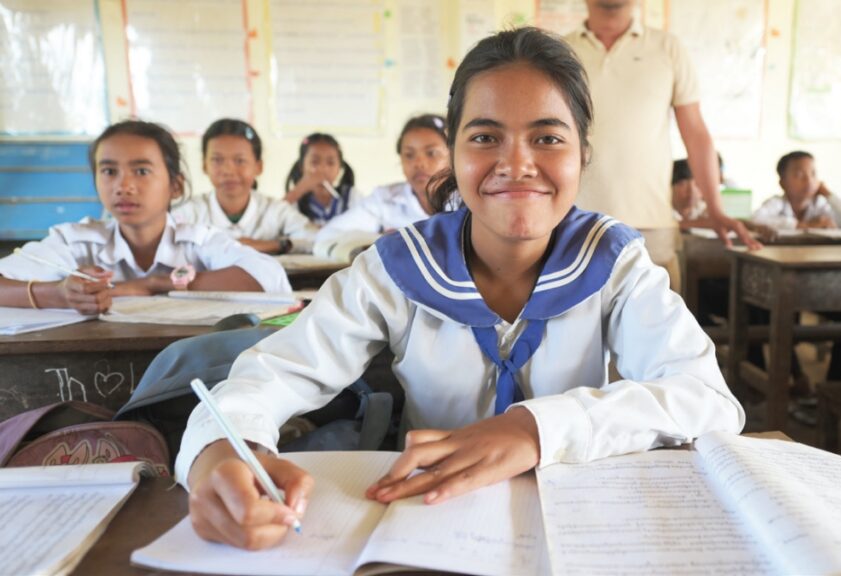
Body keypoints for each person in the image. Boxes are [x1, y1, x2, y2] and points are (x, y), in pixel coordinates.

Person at [179, 27, 744, 550]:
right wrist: (224, 450)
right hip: (424, 524)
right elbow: (272, 373)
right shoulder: (399, 266)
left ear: (583, 154)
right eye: (485, 136)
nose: (517, 164)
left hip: (577, 526)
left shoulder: (613, 261)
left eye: (547, 137)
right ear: (453, 153)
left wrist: (536, 428)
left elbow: (707, 399)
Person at [565, 0, 759, 292]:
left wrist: (715, 208)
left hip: (651, 226)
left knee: (655, 331)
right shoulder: (559, 51)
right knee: (574, 333)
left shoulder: (668, 48)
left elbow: (694, 132)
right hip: (571, 223)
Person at [0, 120, 291, 314]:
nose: (123, 185)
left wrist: (155, 284)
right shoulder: (76, 241)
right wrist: (59, 294)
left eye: (141, 171)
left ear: (175, 185)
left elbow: (270, 277)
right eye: (109, 171)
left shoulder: (196, 240)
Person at [172, 119, 317, 254]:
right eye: (217, 160)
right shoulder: (189, 212)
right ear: (204, 165)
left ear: (258, 166)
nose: (228, 171)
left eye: (240, 160)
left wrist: (273, 245)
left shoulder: (275, 210)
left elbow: (317, 238)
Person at [313, 114, 450, 257]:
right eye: (409, 155)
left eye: (432, 153)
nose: (419, 163)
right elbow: (327, 234)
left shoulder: (467, 199)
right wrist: (384, 241)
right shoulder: (385, 198)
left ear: (453, 156)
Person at [752, 151, 841, 231]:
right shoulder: (777, 203)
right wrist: (804, 225)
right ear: (782, 183)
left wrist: (828, 194)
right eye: (799, 175)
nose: (809, 180)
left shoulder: (821, 206)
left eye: (813, 174)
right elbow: (755, 220)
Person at [283, 133, 359, 226]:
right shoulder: (294, 202)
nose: (322, 169)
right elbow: (273, 220)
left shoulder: (352, 196)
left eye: (330, 163)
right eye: (315, 162)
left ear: (339, 168)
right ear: (301, 166)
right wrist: (298, 190)